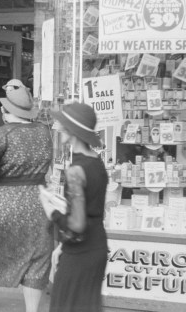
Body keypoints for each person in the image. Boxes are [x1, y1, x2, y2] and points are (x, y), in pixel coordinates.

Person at [0, 79, 53, 312]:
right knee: (36, 255)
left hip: (4, 201)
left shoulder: (0, 133)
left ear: (5, 112)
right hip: (37, 200)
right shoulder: (44, 131)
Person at [41, 102, 109, 312]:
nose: (58, 127)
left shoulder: (76, 171)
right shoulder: (96, 162)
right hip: (96, 246)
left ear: (73, 131)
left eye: (63, 124)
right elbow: (90, 211)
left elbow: (77, 224)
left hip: (80, 252)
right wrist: (62, 246)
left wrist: (51, 210)